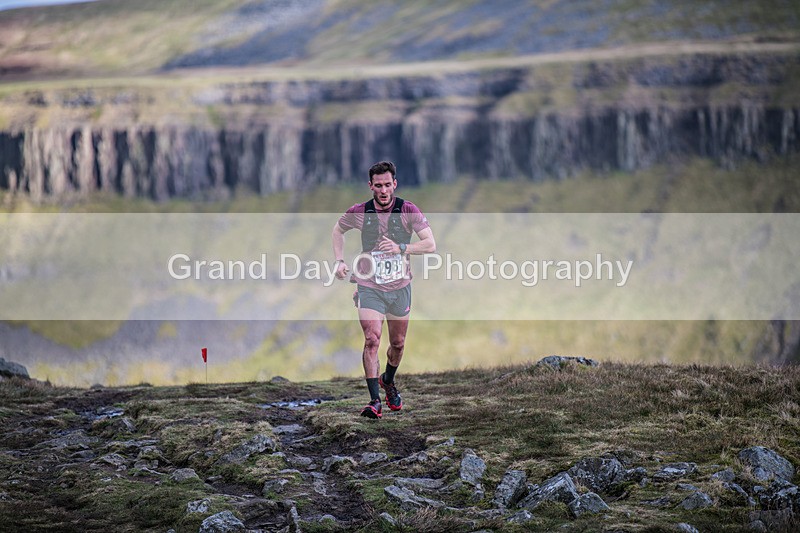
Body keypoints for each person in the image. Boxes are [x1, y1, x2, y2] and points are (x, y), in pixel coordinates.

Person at [332, 161, 436, 419]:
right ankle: (374, 402)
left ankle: (388, 380)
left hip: (400, 286)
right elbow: (338, 229)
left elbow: (430, 244)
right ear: (370, 186)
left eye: (387, 185)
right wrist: (339, 261)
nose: (383, 190)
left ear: (394, 184)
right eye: (378, 185)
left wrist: (402, 248)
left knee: (397, 344)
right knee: (372, 338)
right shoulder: (360, 212)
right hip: (369, 284)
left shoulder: (407, 210)